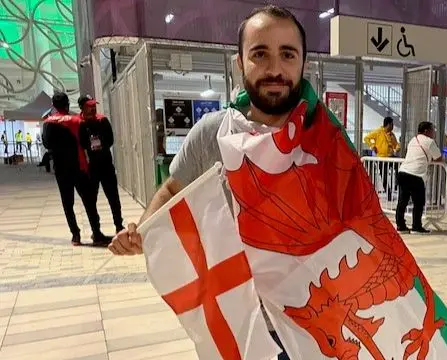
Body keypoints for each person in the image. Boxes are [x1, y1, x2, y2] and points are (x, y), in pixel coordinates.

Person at [108, 6, 318, 358]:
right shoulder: (212, 134)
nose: (274, 68)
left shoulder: (325, 143)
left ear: (302, 64)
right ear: (240, 63)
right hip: (240, 318)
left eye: (287, 54)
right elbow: (173, 189)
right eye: (260, 54)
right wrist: (143, 232)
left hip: (311, 317)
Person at [43, 91, 110, 246]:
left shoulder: (48, 123)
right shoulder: (76, 122)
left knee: (68, 203)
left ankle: (76, 235)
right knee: (89, 201)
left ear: (53, 106)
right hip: (79, 167)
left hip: (61, 170)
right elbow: (86, 143)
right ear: (67, 105)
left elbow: (47, 145)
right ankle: (96, 232)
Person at [78, 95, 124, 233]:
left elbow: (110, 140)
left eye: (94, 106)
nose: (92, 109)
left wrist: (100, 145)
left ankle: (118, 225)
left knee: (113, 197)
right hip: (91, 168)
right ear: (82, 108)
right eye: (89, 106)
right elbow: (81, 143)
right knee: (91, 200)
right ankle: (96, 231)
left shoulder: (102, 121)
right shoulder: (80, 124)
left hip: (106, 165)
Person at [395, 121, 442, 234]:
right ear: (426, 131)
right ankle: (416, 226)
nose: (434, 132)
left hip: (402, 172)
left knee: (402, 201)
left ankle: (401, 226)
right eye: (432, 129)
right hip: (416, 175)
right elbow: (439, 158)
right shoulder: (430, 142)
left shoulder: (413, 139)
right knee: (418, 202)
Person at [364, 117, 400, 199]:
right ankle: (389, 194)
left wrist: (397, 148)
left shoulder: (392, 135)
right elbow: (366, 138)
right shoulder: (378, 132)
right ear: (388, 124)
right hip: (381, 158)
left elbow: (396, 144)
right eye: (392, 124)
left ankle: (397, 184)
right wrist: (372, 146)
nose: (393, 126)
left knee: (399, 169)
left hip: (391, 157)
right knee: (384, 176)